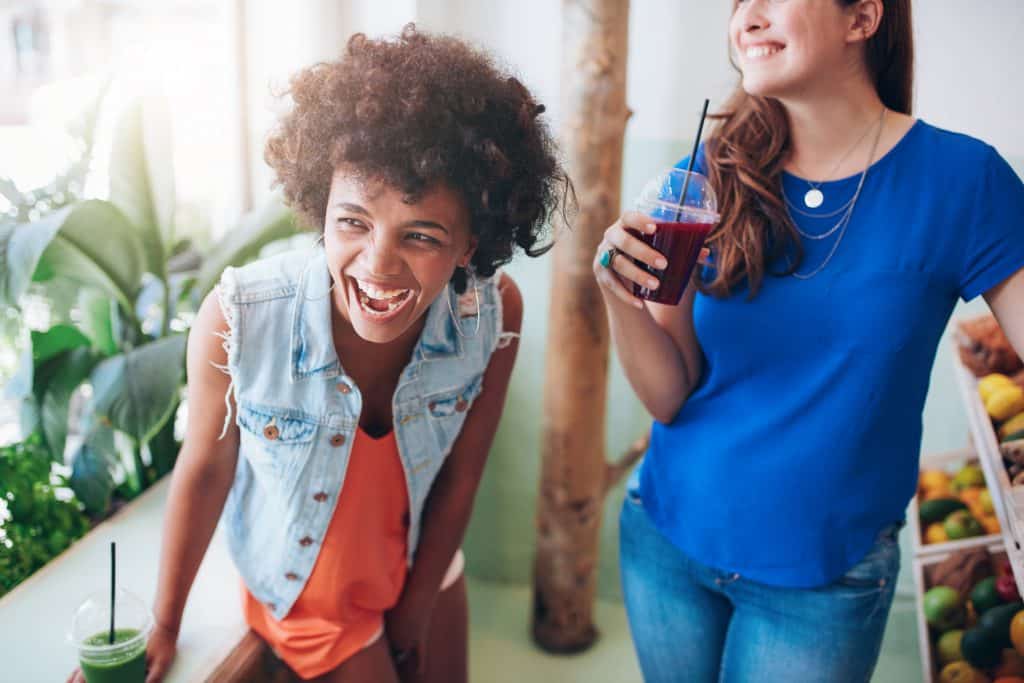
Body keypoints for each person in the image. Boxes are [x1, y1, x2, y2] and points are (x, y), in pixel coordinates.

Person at [70, 25, 569, 683]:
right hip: (314, 592)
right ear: (321, 206)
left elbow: (461, 476)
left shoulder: (493, 314)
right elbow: (205, 468)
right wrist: (164, 622)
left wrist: (416, 607)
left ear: (469, 246)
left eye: (420, 235)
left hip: (424, 561)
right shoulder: (239, 318)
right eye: (353, 221)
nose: (378, 265)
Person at [595, 1, 1024, 680]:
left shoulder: (963, 182)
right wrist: (620, 299)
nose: (749, 16)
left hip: (823, 581)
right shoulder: (707, 172)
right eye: (741, 2)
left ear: (863, 18)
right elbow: (670, 398)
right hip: (666, 540)